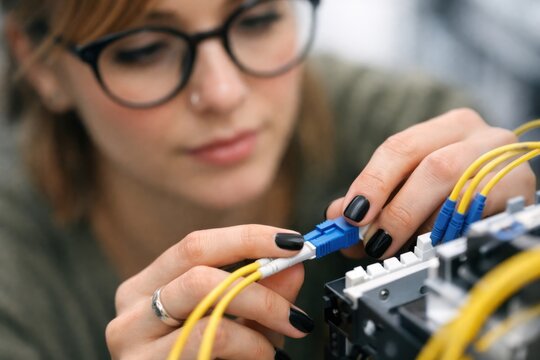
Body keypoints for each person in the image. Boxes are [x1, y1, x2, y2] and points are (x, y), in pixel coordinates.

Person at [0, 0, 535, 359]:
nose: (224, 92)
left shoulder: (419, 137)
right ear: (42, 66)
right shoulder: (15, 284)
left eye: (256, 20)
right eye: (144, 50)